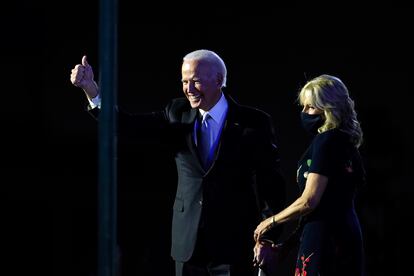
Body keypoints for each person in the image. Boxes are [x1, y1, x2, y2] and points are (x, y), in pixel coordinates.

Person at [70, 49, 286, 276]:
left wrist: (268, 237)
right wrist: (92, 91)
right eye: (184, 82)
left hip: (232, 245)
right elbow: (128, 125)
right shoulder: (176, 112)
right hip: (188, 246)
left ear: (219, 80)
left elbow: (270, 184)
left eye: (196, 81)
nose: (189, 89)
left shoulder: (254, 122)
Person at [253, 74, 366, 276]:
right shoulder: (347, 143)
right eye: (303, 106)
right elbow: (324, 206)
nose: (304, 113)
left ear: (329, 110)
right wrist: (287, 246)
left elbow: (309, 202)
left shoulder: (326, 141)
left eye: (311, 107)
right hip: (346, 236)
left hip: (325, 242)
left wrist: (269, 222)